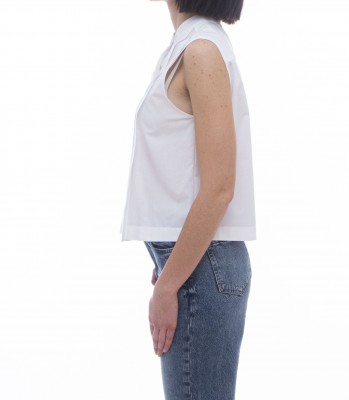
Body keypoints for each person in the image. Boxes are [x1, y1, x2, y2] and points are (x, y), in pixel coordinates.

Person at [119, 0, 257, 398]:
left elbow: (219, 188)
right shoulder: (188, 44)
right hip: (194, 264)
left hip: (200, 271)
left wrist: (168, 286)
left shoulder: (200, 50)